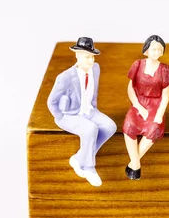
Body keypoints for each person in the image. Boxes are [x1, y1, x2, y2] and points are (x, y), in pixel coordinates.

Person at [47, 37, 117, 187]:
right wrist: (60, 116)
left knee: (110, 126)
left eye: (92, 56)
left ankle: (80, 157)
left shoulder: (95, 69)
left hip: (89, 111)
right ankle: (88, 168)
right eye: (87, 57)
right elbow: (51, 101)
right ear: (77, 55)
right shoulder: (65, 77)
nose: (91, 60)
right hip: (70, 115)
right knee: (90, 129)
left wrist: (93, 107)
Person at [122, 35, 169, 180]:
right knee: (129, 125)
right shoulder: (137, 64)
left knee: (154, 128)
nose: (156, 52)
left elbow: (166, 95)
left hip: (156, 105)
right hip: (139, 102)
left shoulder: (164, 69)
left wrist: (159, 114)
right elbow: (131, 89)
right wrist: (138, 107)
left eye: (159, 49)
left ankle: (133, 163)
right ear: (146, 51)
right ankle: (136, 164)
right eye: (153, 49)